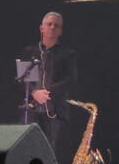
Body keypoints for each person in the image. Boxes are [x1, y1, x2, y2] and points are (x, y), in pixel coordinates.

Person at [22, 11, 77, 154]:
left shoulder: (67, 53)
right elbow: (22, 79)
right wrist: (34, 93)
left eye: (56, 26)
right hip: (32, 109)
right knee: (28, 150)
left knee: (50, 151)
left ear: (60, 31)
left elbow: (70, 79)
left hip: (55, 110)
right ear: (41, 28)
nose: (52, 27)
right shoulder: (30, 51)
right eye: (49, 24)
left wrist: (47, 92)